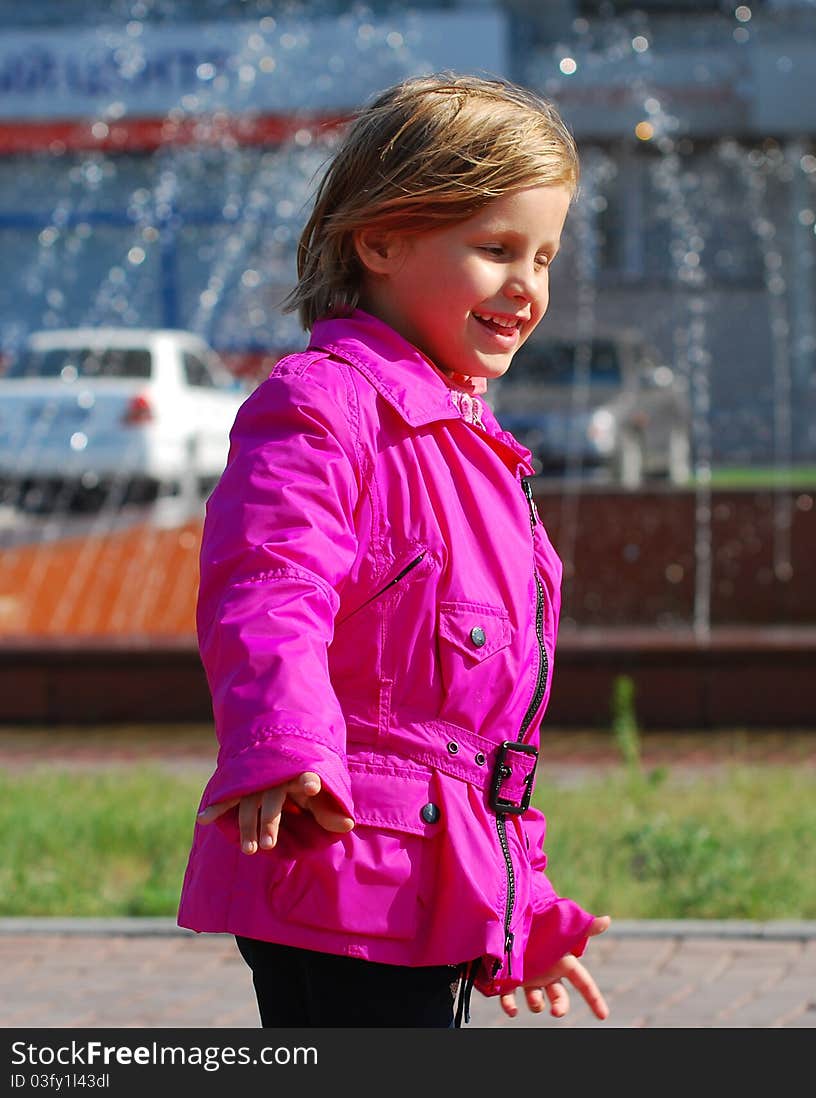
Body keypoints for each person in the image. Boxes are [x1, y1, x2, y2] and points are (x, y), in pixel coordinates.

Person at [178, 71, 611, 1029]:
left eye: (544, 258)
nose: (526, 289)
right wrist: (282, 743)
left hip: (411, 875)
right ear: (380, 239)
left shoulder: (477, 450)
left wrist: (522, 908)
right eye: (496, 249)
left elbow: (480, 735)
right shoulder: (324, 404)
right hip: (341, 862)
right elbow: (270, 580)